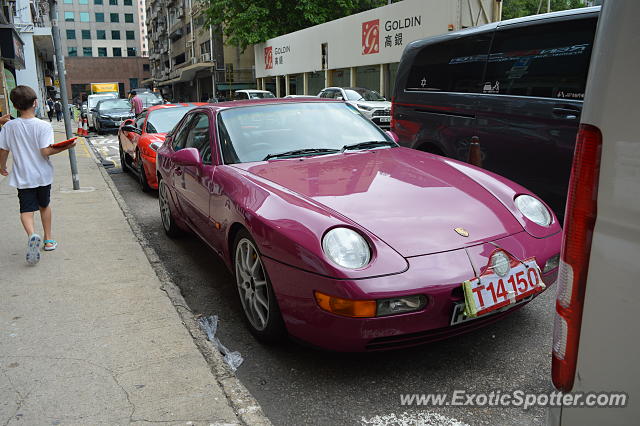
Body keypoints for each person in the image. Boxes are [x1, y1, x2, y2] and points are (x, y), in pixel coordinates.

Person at [0, 85, 76, 265]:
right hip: (42, 175)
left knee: (26, 210)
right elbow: (46, 151)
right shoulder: (43, 125)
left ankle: (32, 234)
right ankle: (48, 240)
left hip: (23, 176)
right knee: (44, 205)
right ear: (35, 103)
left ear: (15, 106)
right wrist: (66, 146)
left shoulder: (9, 126)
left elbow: (3, 150)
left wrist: (2, 166)